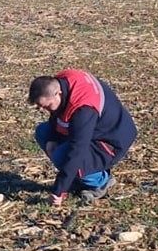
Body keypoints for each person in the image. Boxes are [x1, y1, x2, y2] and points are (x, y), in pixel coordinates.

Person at [28, 69, 137, 206]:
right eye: (40, 107)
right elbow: (58, 115)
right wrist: (52, 138)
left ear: (58, 93)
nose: (44, 110)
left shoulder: (83, 110)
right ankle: (76, 175)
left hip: (111, 139)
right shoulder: (63, 80)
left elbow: (77, 150)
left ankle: (101, 181)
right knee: (44, 132)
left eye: (47, 106)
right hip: (90, 128)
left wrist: (59, 191)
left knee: (62, 156)